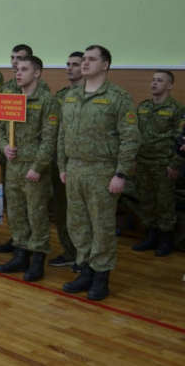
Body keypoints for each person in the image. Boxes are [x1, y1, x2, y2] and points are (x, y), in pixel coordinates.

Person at [58, 45, 140, 301]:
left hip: (103, 171)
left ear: (105, 65)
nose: (84, 63)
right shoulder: (71, 96)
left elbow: (130, 138)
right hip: (74, 169)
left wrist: (121, 173)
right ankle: (86, 270)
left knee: (101, 226)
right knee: (78, 224)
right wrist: (62, 166)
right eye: (83, 59)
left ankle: (101, 274)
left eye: (91, 59)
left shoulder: (118, 96)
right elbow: (62, 134)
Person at [0, 56, 59, 281]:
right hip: (13, 167)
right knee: (15, 213)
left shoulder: (47, 101)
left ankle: (38, 258)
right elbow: (0, 131)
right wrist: (4, 147)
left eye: (24, 69)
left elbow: (50, 140)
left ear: (37, 73)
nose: (18, 73)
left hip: (34, 170)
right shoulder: (11, 99)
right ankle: (20, 253)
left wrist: (38, 167)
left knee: (36, 215)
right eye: (17, 70)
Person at [132, 70, 184, 257]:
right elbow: (136, 135)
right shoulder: (143, 107)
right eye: (153, 80)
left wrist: (175, 164)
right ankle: (150, 236)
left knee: (164, 203)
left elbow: (182, 140)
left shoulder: (176, 109)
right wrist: (135, 159)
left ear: (169, 86)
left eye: (159, 80)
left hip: (164, 164)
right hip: (144, 162)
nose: (154, 83)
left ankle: (166, 239)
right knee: (146, 201)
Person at [49, 51, 84, 269]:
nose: (70, 68)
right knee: (62, 211)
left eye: (75, 64)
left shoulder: (92, 94)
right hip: (60, 163)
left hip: (83, 164)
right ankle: (69, 251)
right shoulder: (60, 96)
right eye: (68, 64)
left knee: (83, 215)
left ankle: (86, 258)